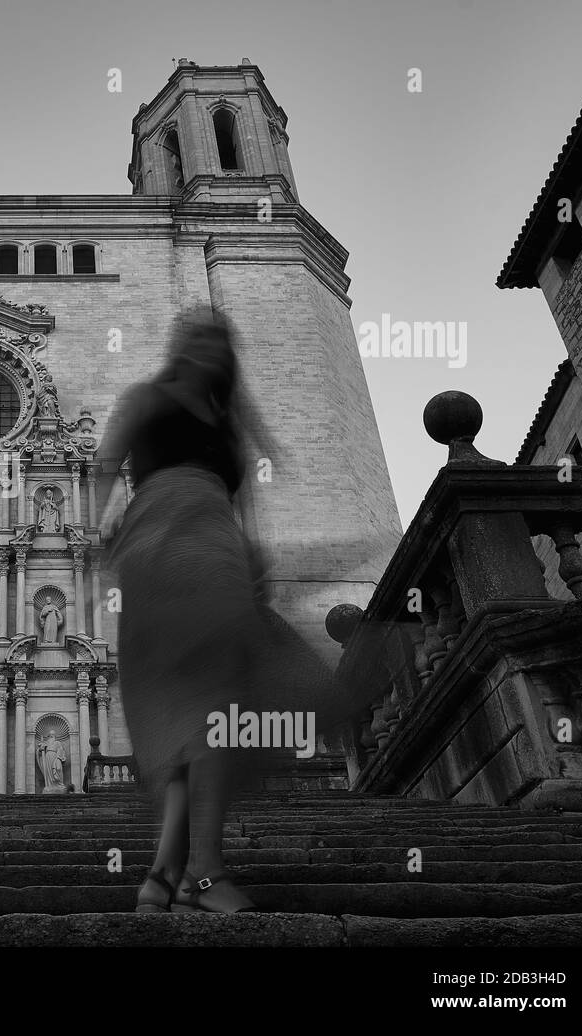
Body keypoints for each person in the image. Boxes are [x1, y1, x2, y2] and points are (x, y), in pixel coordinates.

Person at [98, 308, 371, 914]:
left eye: (217, 342)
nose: (206, 350)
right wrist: (100, 533)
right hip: (159, 547)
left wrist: (256, 564)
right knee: (200, 715)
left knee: (208, 715)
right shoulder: (148, 399)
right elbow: (102, 467)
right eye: (196, 339)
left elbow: (242, 503)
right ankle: (196, 873)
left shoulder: (227, 421)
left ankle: (167, 876)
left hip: (215, 549)